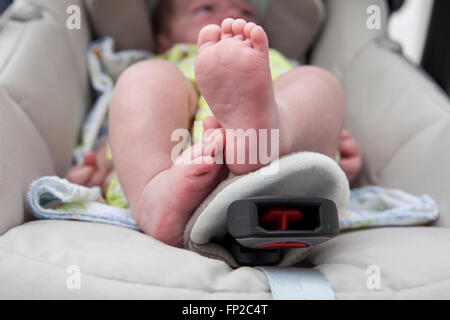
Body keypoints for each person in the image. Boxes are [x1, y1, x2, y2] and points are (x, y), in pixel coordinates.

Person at [67, 0, 363, 248]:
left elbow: (317, 115)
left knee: (318, 82)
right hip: (175, 167)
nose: (230, 15)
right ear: (163, 40)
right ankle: (154, 194)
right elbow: (125, 134)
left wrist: (332, 146)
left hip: (280, 168)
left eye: (247, 13)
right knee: (144, 78)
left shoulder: (275, 63)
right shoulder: (169, 60)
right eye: (205, 8)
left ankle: (270, 134)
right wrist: (100, 167)